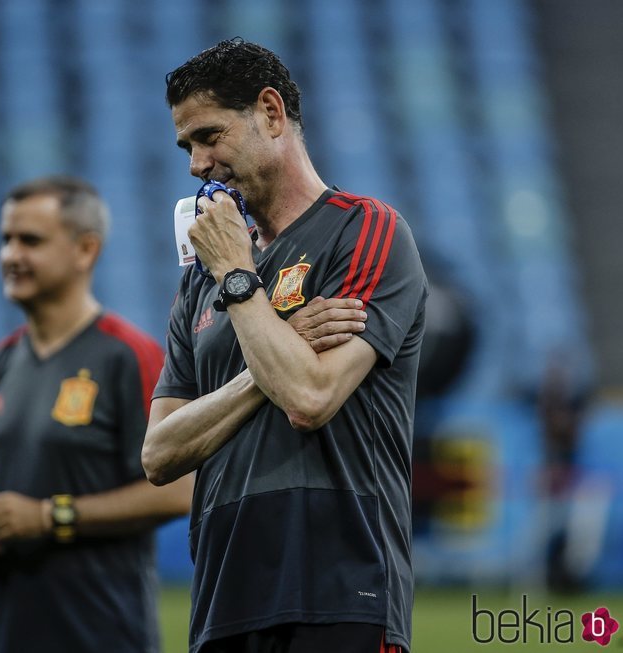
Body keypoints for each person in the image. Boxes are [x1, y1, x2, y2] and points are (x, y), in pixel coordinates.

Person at [142, 38, 428, 653]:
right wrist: (260, 366)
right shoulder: (202, 277)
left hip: (340, 587)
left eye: (209, 136)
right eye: (186, 146)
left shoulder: (365, 229)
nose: (196, 164)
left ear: (271, 113)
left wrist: (240, 282)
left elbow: (307, 395)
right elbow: (160, 454)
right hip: (223, 594)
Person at [0, 176, 193, 653]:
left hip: (101, 633)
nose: (11, 255)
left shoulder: (129, 357)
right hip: (2, 634)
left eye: (30, 240)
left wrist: (50, 516)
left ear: (85, 250)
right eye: (6, 240)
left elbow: (178, 492)